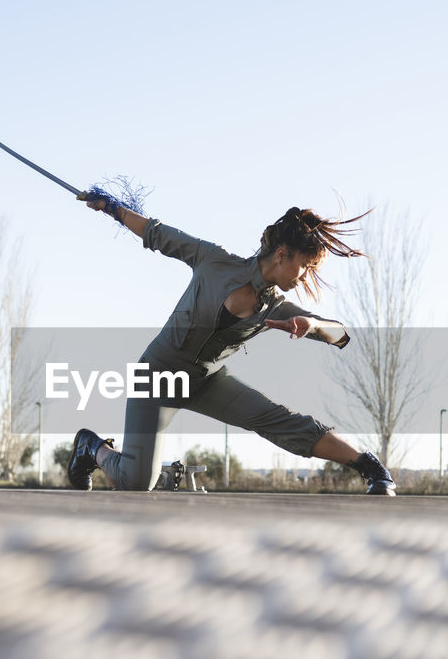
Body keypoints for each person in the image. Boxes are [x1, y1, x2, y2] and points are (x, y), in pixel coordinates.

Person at [65, 195, 396, 496]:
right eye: (305, 267)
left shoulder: (276, 307)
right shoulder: (214, 261)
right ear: (282, 255)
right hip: (157, 375)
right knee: (137, 482)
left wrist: (315, 324)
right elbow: (157, 233)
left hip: (205, 381)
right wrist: (110, 207)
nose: (304, 277)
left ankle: (369, 468)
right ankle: (90, 447)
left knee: (277, 419)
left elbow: (340, 335)